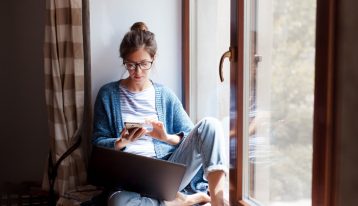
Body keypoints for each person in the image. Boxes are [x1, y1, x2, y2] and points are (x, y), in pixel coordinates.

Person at [92, 22, 228, 206]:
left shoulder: (165, 95)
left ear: (153, 59)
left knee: (210, 125)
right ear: (123, 60)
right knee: (119, 204)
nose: (137, 71)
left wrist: (167, 138)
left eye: (144, 64)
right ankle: (181, 201)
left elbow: (194, 137)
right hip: (126, 182)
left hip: (166, 174)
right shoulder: (107, 94)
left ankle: (217, 200)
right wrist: (119, 143)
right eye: (131, 65)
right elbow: (97, 143)